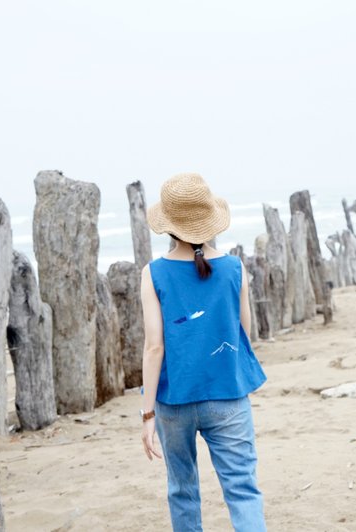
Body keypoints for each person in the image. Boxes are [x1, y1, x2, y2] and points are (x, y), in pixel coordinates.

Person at [139, 172, 267, 531]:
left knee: (182, 490)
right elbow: (245, 331)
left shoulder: (153, 273)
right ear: (209, 221)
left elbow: (154, 347)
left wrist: (147, 415)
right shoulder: (235, 267)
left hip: (174, 400)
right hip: (227, 393)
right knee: (242, 489)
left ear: (169, 225)